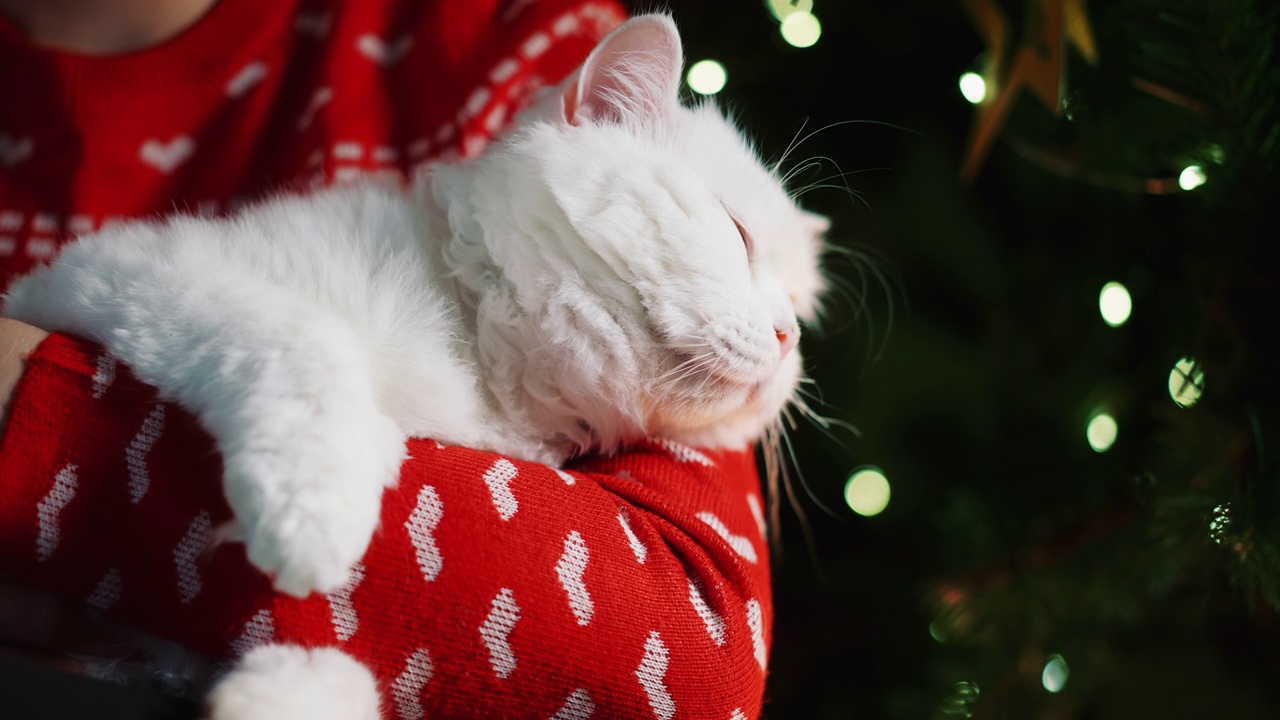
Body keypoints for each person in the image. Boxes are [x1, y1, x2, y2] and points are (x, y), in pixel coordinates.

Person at [0, 1, 774, 717]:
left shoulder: (529, 23)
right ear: (593, 118)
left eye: (794, 311)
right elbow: (104, 278)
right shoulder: (379, 254)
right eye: (738, 245)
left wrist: (51, 446)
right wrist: (298, 389)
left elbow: (694, 658)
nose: (783, 335)